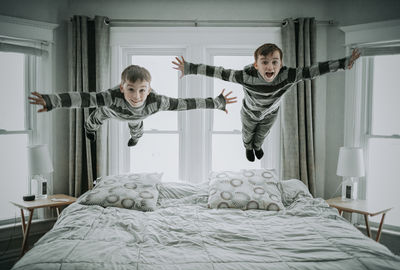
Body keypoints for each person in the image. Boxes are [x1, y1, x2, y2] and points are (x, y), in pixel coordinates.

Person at [172, 44, 360, 162]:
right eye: (264, 62)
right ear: (256, 65)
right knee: (248, 134)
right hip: (250, 112)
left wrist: (343, 63)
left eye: (274, 62)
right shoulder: (245, 76)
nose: (270, 67)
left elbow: (313, 70)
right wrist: (190, 67)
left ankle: (258, 146)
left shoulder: (288, 76)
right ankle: (248, 147)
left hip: (271, 112)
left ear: (280, 64)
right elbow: (219, 72)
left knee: (262, 133)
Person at [29, 65, 237, 146]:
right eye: (130, 89)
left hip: (137, 117)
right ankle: (90, 130)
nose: (136, 96)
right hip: (110, 112)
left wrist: (215, 102)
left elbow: (184, 103)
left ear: (149, 89)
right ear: (122, 88)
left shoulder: (156, 101)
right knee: (93, 120)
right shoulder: (111, 96)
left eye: (141, 90)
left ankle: (135, 139)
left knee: (137, 130)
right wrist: (52, 100)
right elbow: (84, 98)